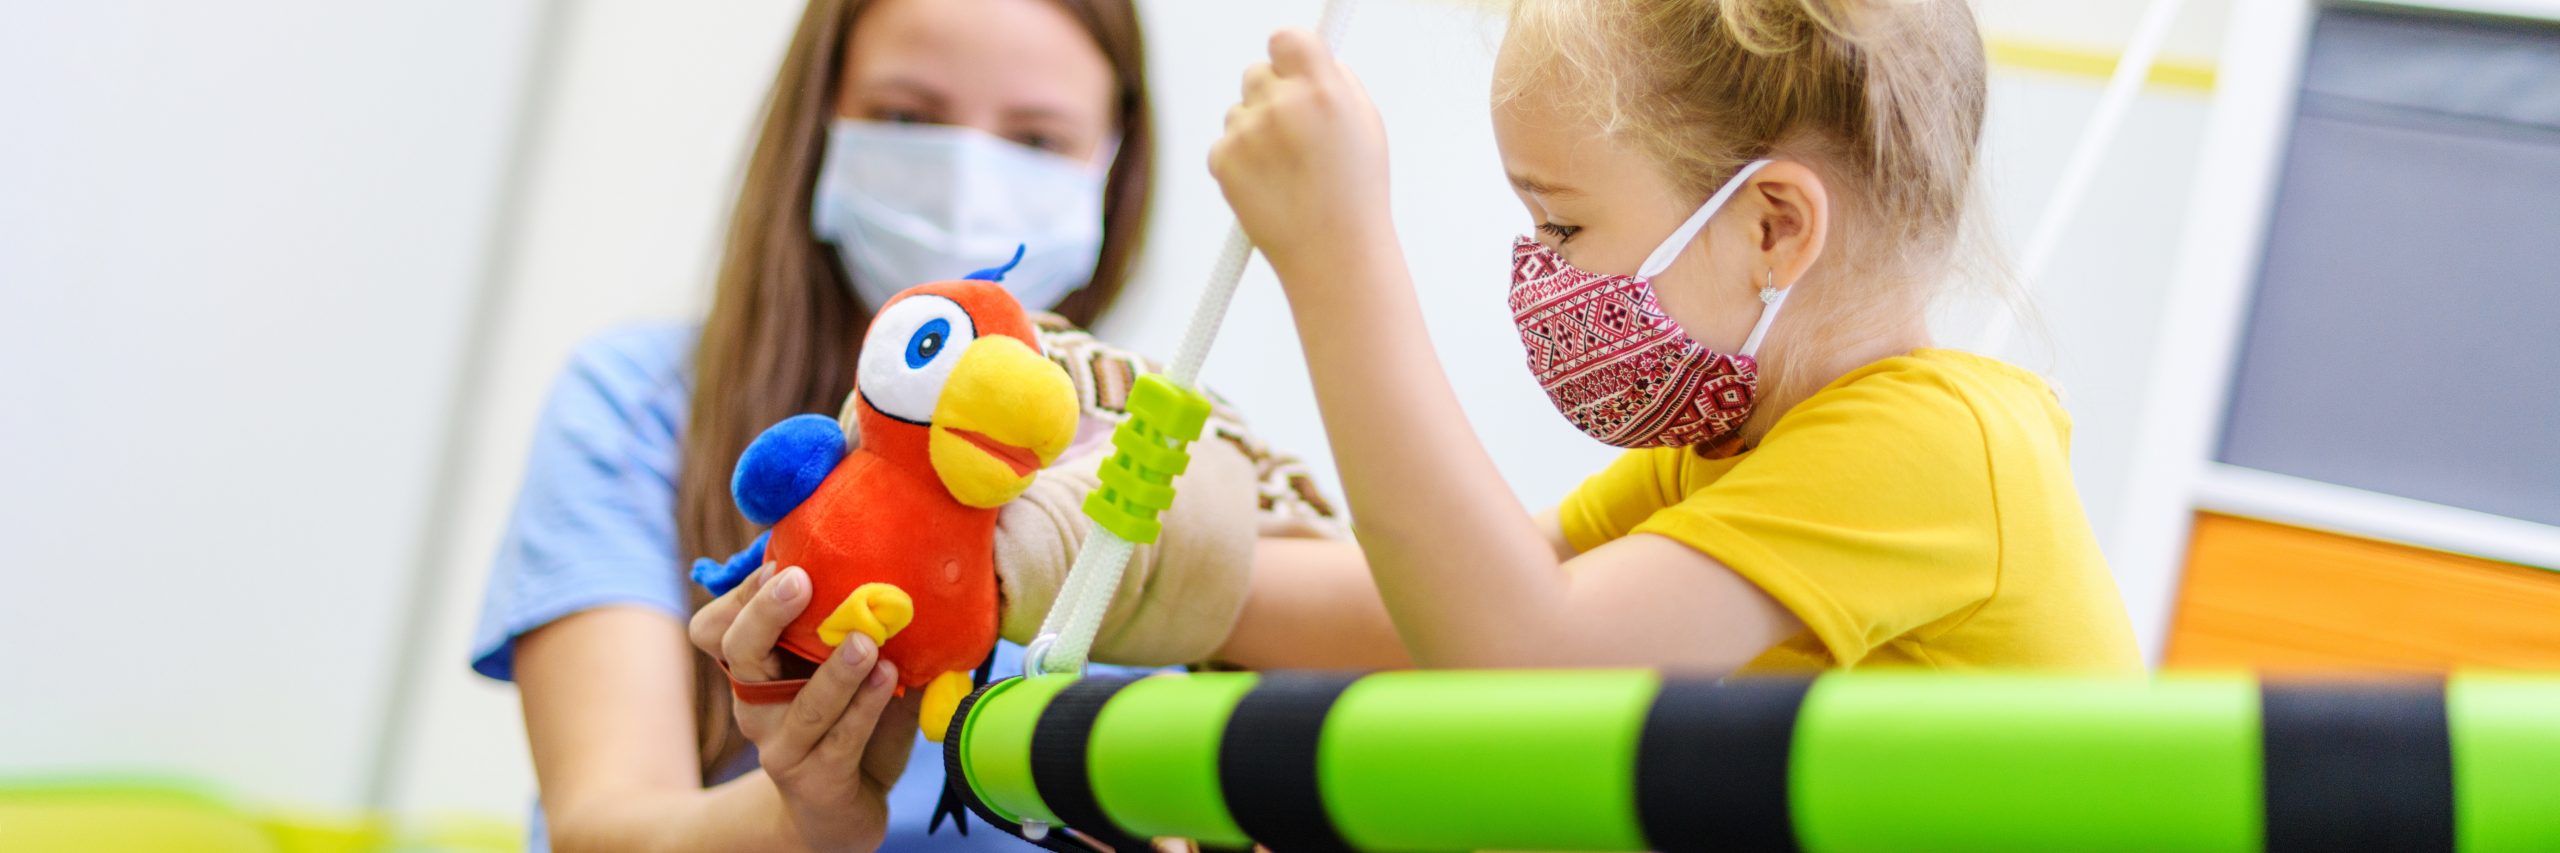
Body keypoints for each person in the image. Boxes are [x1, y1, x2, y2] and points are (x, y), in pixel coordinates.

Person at [468, 0, 1340, 850]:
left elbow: (1394, 635)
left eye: (1037, 140)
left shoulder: (1156, 453)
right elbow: (601, 826)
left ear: (1116, 163)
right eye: (907, 118)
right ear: (821, 118)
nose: (968, 177)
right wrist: (802, 823)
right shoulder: (637, 404)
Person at [1206, 0, 2142, 674]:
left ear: (1773, 228)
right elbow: (1440, 603)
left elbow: (1525, 655)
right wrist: (1175, 578)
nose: (1539, 268)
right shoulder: (1727, 455)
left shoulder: (1934, 446)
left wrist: (1336, 252)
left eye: (1562, 225)